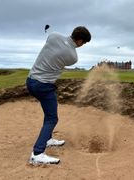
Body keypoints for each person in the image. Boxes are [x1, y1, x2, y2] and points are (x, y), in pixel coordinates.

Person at [26, 26, 91, 164]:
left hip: (31, 81)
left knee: (48, 114)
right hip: (44, 86)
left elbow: (51, 39)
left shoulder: (54, 36)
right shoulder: (73, 57)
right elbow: (66, 51)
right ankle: (37, 153)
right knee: (52, 118)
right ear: (79, 40)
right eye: (83, 43)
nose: (82, 45)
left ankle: (48, 139)